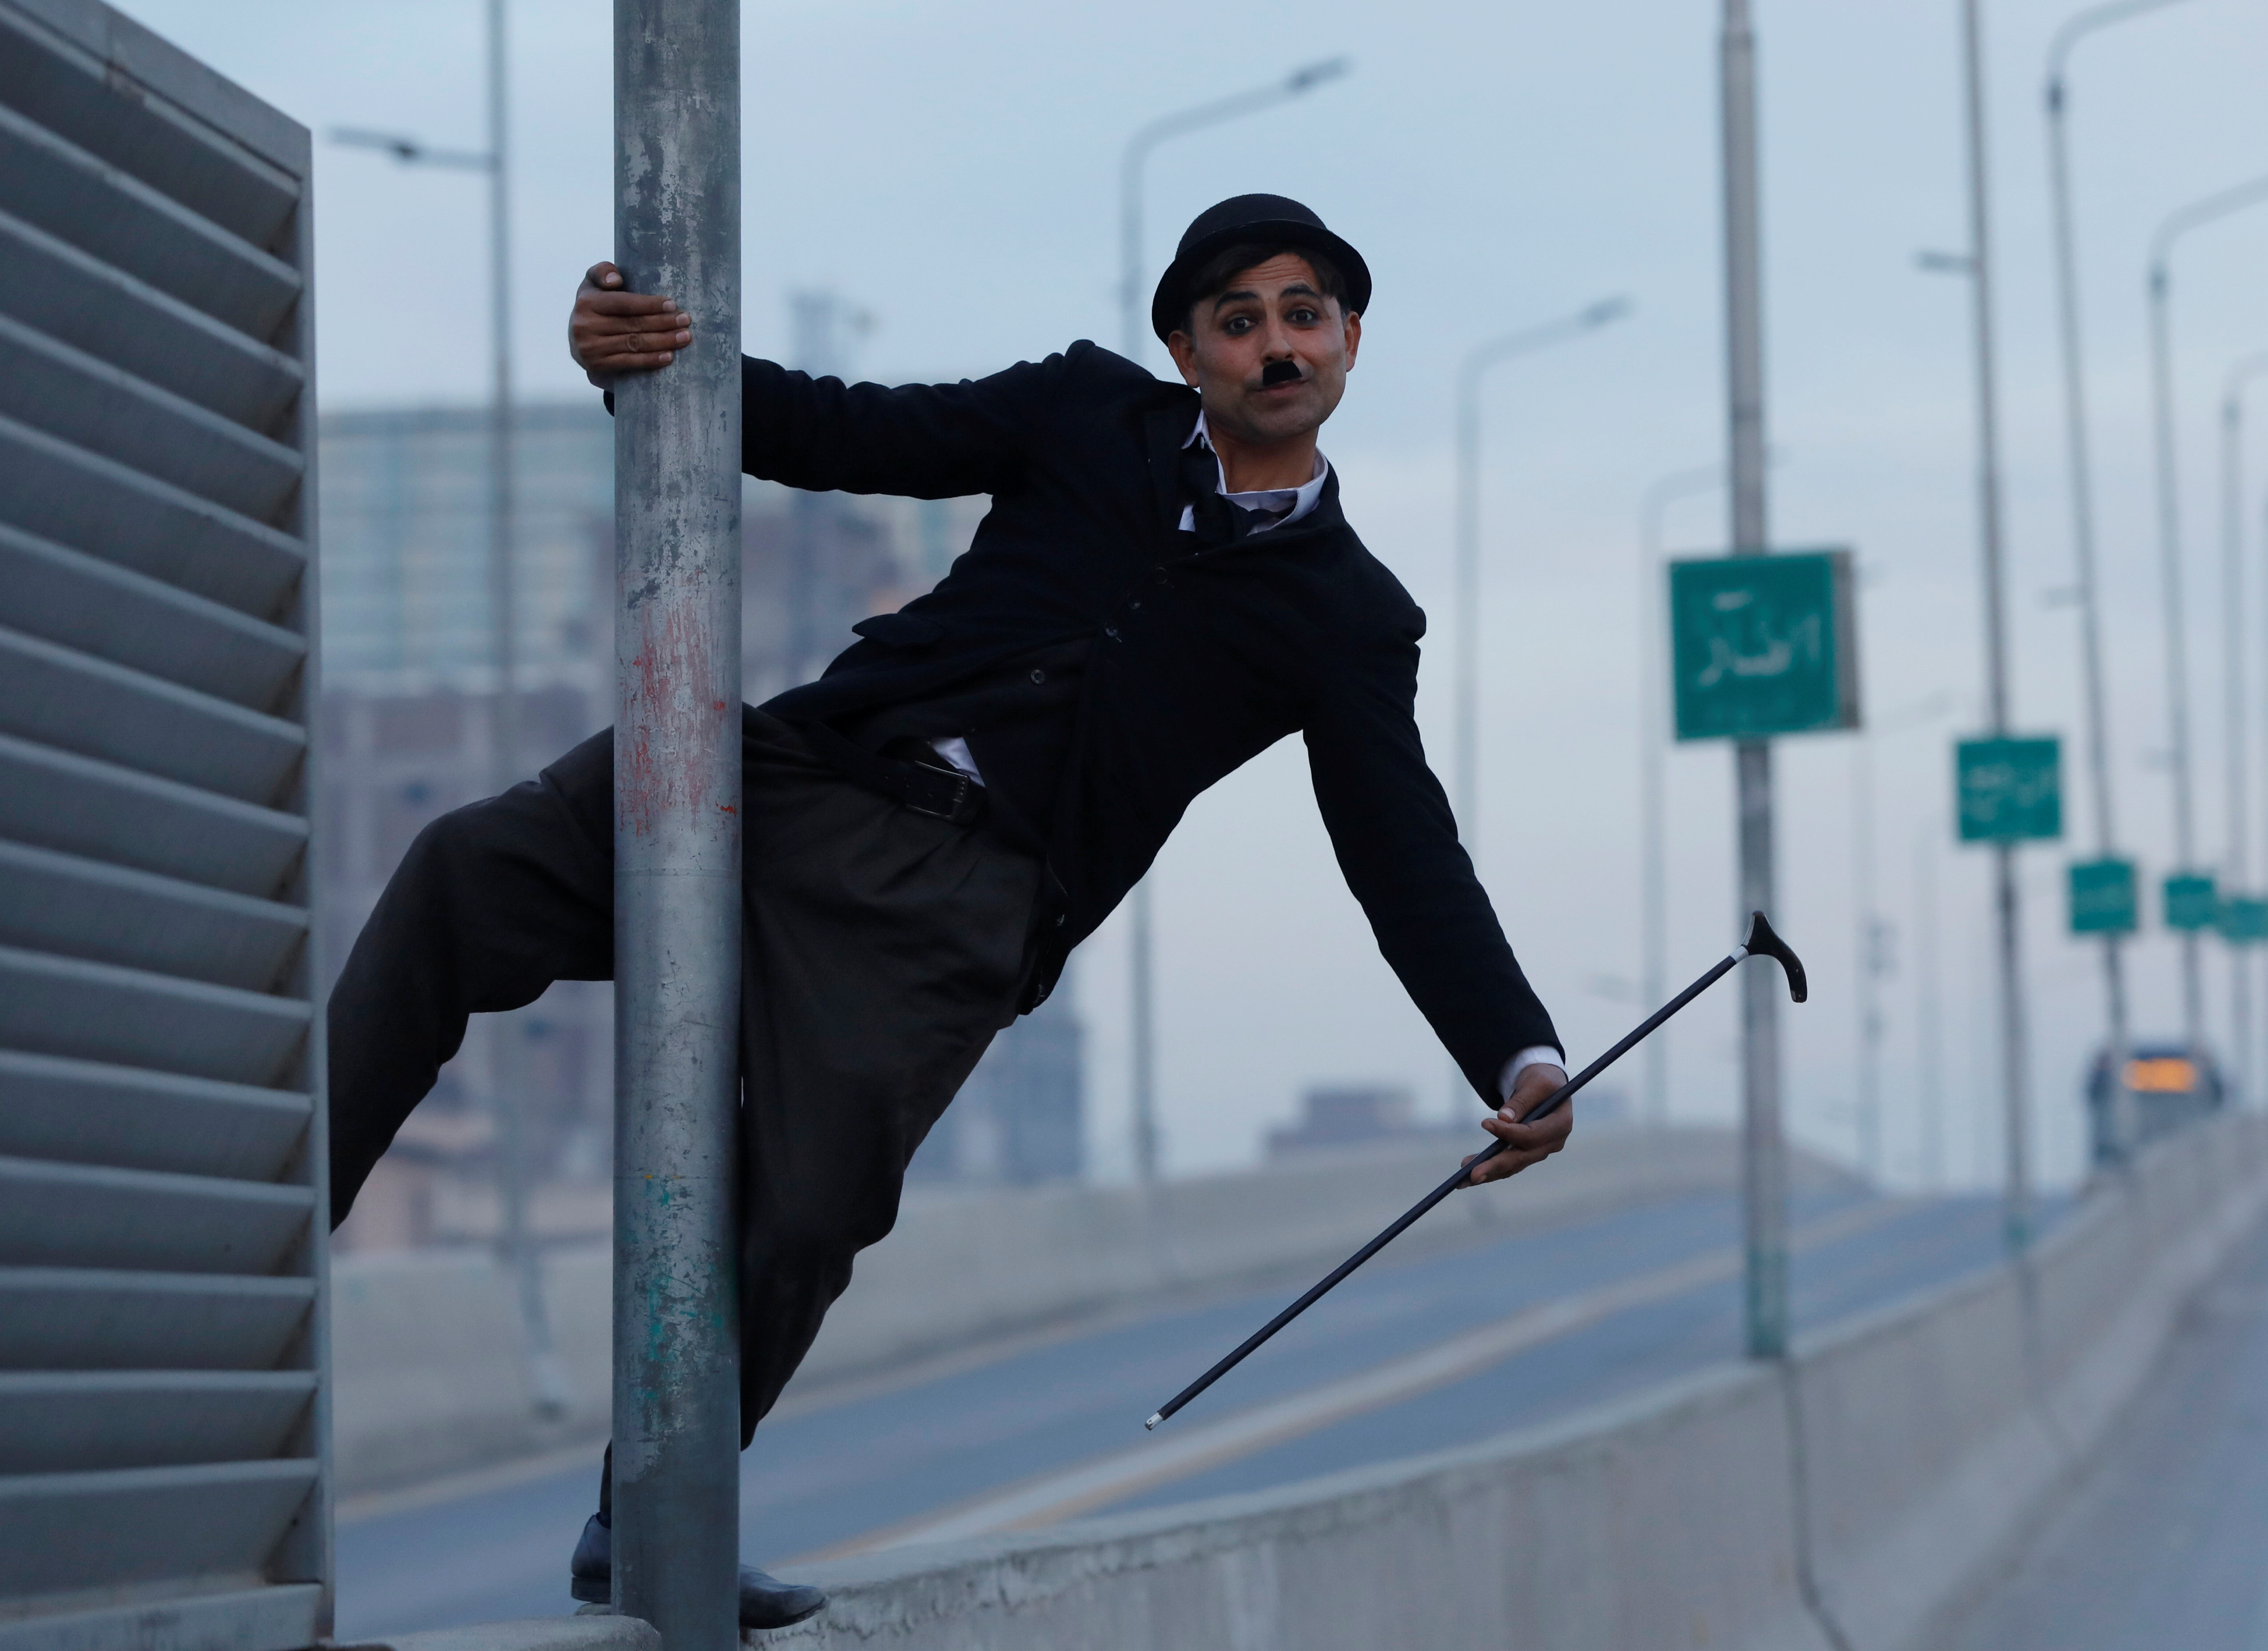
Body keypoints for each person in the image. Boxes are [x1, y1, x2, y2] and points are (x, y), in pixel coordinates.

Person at [327, 194, 1573, 1625]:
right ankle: (277, 1236)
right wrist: (647, 360)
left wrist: (1518, 1055)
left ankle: (655, 1517)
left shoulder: (1353, 614)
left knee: (801, 1207)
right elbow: (849, 431)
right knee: (466, 868)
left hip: (962, 903)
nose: (1276, 346)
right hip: (792, 776)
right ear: (1185, 349)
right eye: (1239, 320)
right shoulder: (1084, 414)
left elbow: (1400, 849)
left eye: (1305, 316)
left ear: (1350, 341)